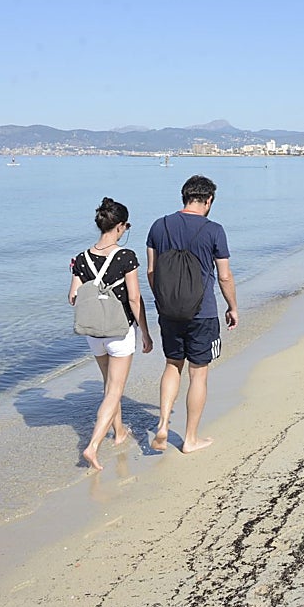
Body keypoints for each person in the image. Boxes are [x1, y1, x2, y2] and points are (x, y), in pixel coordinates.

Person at [146, 175, 238, 453]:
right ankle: (190, 438)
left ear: (184, 197)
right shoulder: (214, 230)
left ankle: (162, 424)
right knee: (198, 374)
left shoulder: (158, 226)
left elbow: (152, 272)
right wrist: (232, 306)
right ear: (208, 201)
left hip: (169, 311)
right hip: (203, 313)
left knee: (172, 365)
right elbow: (224, 276)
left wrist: (164, 301)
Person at [68, 197, 153, 471]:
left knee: (109, 386)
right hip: (119, 330)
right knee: (115, 389)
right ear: (119, 226)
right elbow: (135, 299)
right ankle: (92, 446)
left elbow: (73, 297)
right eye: (126, 226)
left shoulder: (81, 258)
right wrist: (145, 333)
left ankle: (119, 434)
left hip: (94, 333)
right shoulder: (126, 257)